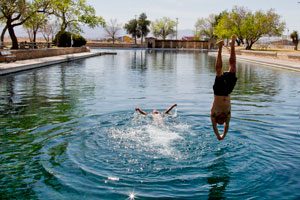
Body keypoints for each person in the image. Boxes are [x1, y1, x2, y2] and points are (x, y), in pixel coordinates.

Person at [211, 35, 237, 140]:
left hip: (218, 91)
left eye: (219, 121)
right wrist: (224, 134)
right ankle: (232, 45)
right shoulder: (228, 114)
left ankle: (220, 47)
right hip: (227, 91)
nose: (221, 121)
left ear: (217, 119)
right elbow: (227, 125)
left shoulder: (213, 114)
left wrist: (219, 135)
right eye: (223, 121)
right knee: (233, 68)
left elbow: (214, 126)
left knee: (218, 71)